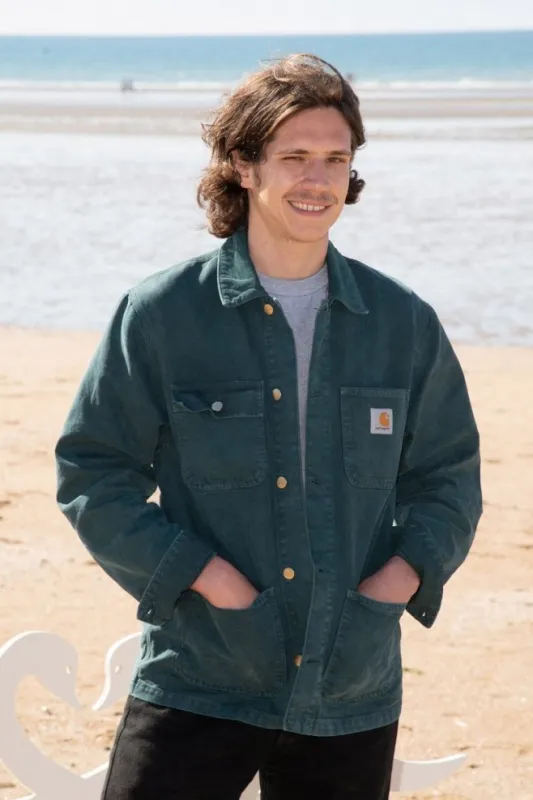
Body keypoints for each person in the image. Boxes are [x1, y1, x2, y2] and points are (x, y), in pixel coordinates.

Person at [55, 54, 483, 800]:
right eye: (293, 157)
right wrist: (202, 576)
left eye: (334, 159)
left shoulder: (402, 323)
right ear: (243, 166)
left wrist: (401, 577)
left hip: (349, 687)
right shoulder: (161, 316)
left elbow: (447, 475)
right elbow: (94, 470)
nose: (316, 181)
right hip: (200, 677)